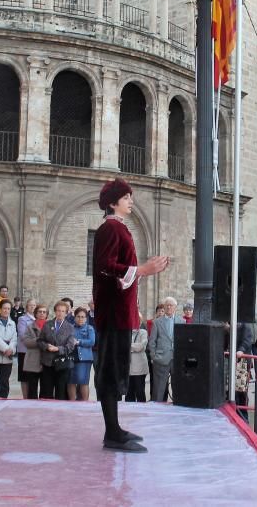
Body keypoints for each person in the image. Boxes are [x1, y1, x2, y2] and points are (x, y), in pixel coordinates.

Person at [92, 178, 169, 452]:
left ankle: (114, 428)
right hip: (113, 314)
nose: (131, 201)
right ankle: (112, 433)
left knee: (116, 370)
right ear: (113, 202)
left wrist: (142, 271)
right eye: (126, 197)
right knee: (111, 371)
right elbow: (105, 267)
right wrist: (143, 270)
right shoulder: (110, 228)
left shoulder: (118, 228)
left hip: (119, 313)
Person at [39, 300, 76, 400]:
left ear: (66, 313)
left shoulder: (70, 327)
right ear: (55, 311)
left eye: (63, 311)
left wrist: (58, 349)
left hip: (62, 363)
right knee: (46, 391)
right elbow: (40, 341)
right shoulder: (47, 324)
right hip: (48, 362)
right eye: (58, 310)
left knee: (61, 392)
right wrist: (46, 346)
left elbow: (70, 346)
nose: (60, 313)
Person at [149, 296, 177, 402]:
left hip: (176, 359)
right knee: (158, 389)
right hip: (161, 359)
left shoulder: (181, 321)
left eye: (171, 305)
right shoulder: (157, 322)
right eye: (167, 305)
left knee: (178, 387)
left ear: (175, 307)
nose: (169, 307)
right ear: (164, 307)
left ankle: (177, 408)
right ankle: (157, 409)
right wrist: (154, 356)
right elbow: (152, 341)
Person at [68, 306, 96, 401]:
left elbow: (92, 342)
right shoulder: (70, 328)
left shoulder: (90, 328)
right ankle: (72, 401)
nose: (80, 319)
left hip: (84, 358)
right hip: (71, 356)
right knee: (70, 381)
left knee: (83, 381)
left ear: (86, 318)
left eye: (83, 317)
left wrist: (79, 342)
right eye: (78, 316)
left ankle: (84, 403)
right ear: (75, 317)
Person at [21, 305, 47, 399]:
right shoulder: (29, 326)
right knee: (32, 388)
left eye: (44, 312)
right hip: (32, 360)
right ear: (36, 313)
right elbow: (26, 341)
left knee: (45, 388)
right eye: (40, 311)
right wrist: (40, 341)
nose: (42, 314)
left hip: (46, 360)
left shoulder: (50, 326)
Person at [15, 296, 37, 398]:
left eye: (34, 305)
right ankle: (25, 397)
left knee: (33, 376)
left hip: (36, 352)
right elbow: (23, 335)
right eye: (30, 305)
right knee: (24, 376)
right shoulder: (22, 319)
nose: (32, 307)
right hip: (24, 351)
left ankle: (32, 397)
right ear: (26, 307)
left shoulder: (38, 318)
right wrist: (38, 341)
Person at [127, 312, 148, 402]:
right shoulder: (126, 332)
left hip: (139, 368)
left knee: (140, 392)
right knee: (129, 393)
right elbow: (121, 345)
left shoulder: (143, 332)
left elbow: (141, 346)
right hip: (128, 368)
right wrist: (133, 347)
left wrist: (128, 346)